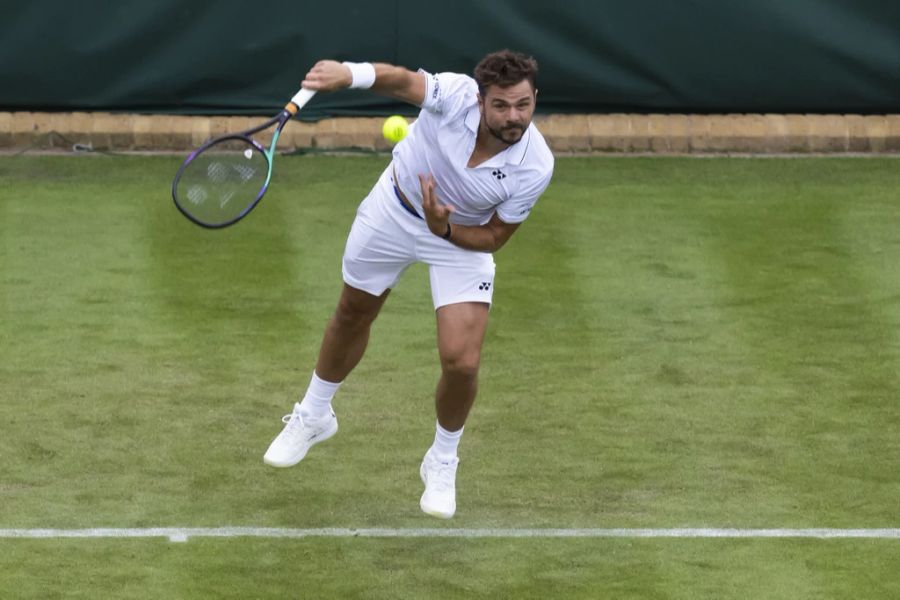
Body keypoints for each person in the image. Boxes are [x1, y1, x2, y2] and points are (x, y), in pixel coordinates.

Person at [263, 49, 554, 519]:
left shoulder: (536, 165)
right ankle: (315, 414)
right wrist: (348, 75)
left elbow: (496, 236)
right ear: (480, 101)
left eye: (523, 104)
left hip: (458, 236)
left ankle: (442, 459)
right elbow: (400, 82)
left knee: (462, 362)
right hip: (393, 210)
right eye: (501, 105)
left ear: (535, 98)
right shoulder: (456, 95)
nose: (514, 116)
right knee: (354, 311)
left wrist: (445, 230)